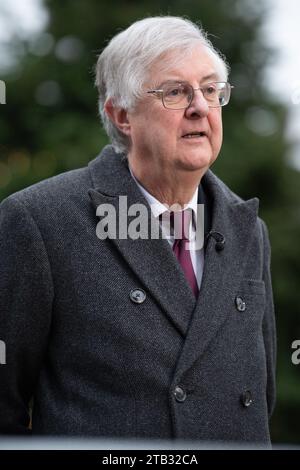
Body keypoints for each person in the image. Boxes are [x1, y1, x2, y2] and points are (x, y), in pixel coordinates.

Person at [0, 16, 276, 445]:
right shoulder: (39, 221)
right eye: (175, 91)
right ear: (122, 114)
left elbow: (260, 396)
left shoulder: (248, 230)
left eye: (209, 90)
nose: (200, 107)